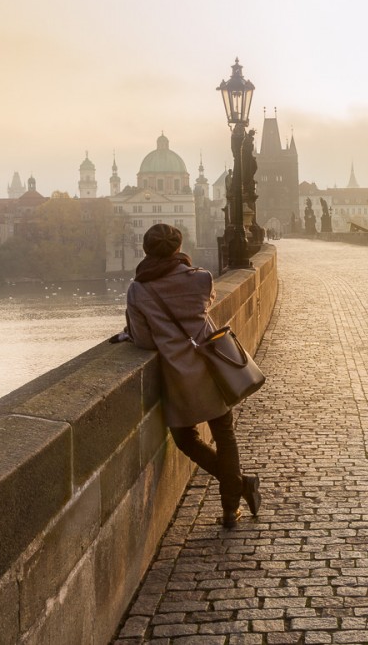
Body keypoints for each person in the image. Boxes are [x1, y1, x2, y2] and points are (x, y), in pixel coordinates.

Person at [122, 223, 261, 529]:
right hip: (213, 366)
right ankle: (231, 504)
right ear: (177, 247)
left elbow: (144, 341)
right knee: (224, 434)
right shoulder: (200, 277)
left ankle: (239, 487)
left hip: (177, 376)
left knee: (185, 439)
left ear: (146, 250)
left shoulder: (138, 289)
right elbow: (207, 303)